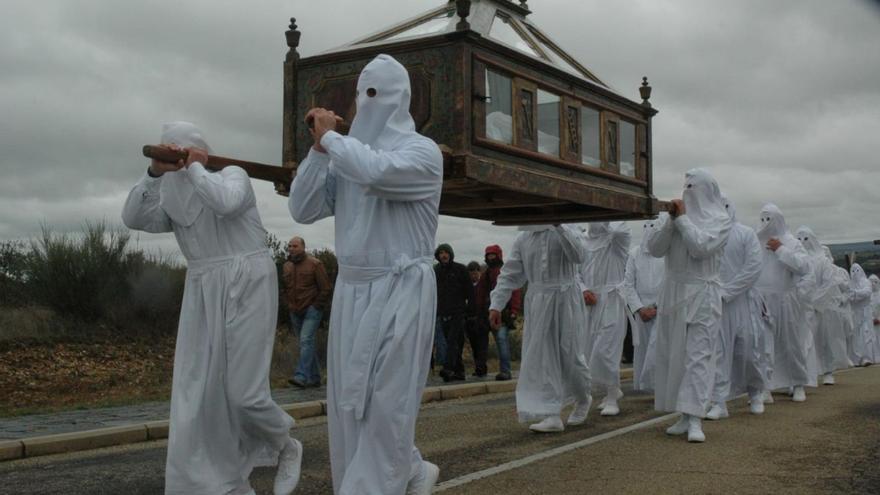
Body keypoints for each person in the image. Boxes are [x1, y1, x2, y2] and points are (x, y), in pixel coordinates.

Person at [288, 54, 443, 495]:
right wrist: (319, 151)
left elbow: (376, 173)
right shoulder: (346, 156)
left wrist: (334, 139)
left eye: (377, 94)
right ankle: (410, 471)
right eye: (363, 95)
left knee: (388, 406)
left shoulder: (421, 153)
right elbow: (302, 207)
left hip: (402, 290)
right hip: (353, 292)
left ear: (400, 99)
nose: (368, 104)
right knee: (349, 408)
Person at [122, 122, 301, 495]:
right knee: (198, 397)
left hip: (246, 279)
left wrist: (197, 167)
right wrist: (155, 173)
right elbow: (134, 218)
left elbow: (225, 203)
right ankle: (223, 486)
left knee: (244, 393)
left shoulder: (232, 176)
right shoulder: (171, 194)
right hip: (203, 288)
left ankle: (285, 444)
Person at [646, 168, 731, 443]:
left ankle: (696, 417)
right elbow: (654, 249)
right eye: (686, 185)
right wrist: (670, 222)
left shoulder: (720, 220)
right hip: (674, 294)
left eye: (693, 186)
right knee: (676, 356)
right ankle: (683, 415)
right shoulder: (675, 220)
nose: (687, 190)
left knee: (699, 355)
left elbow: (700, 247)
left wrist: (681, 220)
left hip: (703, 294)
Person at [489, 225, 593, 432]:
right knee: (543, 358)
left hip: (566, 299)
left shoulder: (569, 229)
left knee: (571, 356)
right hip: (538, 301)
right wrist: (496, 304)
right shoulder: (523, 238)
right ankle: (551, 414)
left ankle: (583, 398)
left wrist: (559, 226)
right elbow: (510, 273)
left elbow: (579, 255)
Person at [706, 195, 767, 419]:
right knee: (719, 353)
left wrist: (729, 291)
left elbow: (753, 267)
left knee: (748, 351)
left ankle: (755, 391)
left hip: (743, 302)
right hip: (716, 302)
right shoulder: (709, 234)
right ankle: (719, 401)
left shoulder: (745, 233)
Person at [755, 204, 813, 403]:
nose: (765, 224)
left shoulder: (791, 242)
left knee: (791, 342)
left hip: (785, 299)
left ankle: (797, 383)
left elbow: (804, 266)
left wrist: (781, 249)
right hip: (761, 300)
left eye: (769, 219)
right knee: (763, 344)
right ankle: (764, 386)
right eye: (762, 219)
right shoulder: (756, 241)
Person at [579, 222, 631, 416]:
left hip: (611, 300)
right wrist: (584, 290)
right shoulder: (582, 241)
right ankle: (611, 389)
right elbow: (575, 272)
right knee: (590, 349)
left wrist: (609, 214)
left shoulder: (617, 240)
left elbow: (620, 229)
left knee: (606, 349)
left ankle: (611, 397)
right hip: (590, 303)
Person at [795, 227, 849, 385]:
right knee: (803, 341)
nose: (802, 243)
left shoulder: (822, 261)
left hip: (820, 307)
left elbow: (828, 283)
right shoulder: (799, 260)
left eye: (805, 239)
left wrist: (814, 300)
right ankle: (803, 375)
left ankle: (828, 370)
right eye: (799, 239)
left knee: (824, 339)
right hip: (802, 306)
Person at [283, 236, 333, 388]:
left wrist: (316, 306)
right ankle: (315, 377)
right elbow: (284, 288)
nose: (291, 248)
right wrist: (287, 304)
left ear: (303, 247)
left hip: (311, 310)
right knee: (306, 344)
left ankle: (301, 376)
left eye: (295, 246)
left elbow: (326, 288)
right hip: (294, 310)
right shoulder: (286, 266)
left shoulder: (315, 264)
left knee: (305, 340)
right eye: (290, 246)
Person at [623, 219, 666, 392]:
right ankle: (644, 386)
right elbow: (628, 284)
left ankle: (660, 387)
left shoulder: (667, 254)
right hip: (641, 311)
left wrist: (657, 307)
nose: (648, 231)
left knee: (658, 350)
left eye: (653, 228)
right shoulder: (634, 254)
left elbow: (671, 282)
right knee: (642, 349)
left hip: (662, 309)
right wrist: (639, 308)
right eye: (646, 227)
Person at [476, 245, 521, 381]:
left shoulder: (505, 272)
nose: (490, 257)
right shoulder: (486, 274)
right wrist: (479, 311)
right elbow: (480, 293)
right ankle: (481, 369)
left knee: (502, 341)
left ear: (498, 255)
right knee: (484, 342)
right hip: (487, 312)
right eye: (488, 255)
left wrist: (513, 310)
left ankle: (505, 371)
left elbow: (515, 291)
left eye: (492, 255)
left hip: (503, 313)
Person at [434, 243, 471, 382]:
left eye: (446, 252)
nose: (443, 255)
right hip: (443, 312)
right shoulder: (436, 271)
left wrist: (468, 310)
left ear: (450, 254)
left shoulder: (460, 269)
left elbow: (469, 291)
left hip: (458, 312)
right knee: (455, 343)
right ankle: (459, 372)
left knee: (452, 341)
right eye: (441, 253)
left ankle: (448, 368)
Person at [465, 261, 489, 377]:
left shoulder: (483, 286)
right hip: (470, 320)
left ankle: (481, 368)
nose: (474, 275)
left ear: (479, 272)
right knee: (474, 346)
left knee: (482, 346)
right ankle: (478, 367)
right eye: (471, 273)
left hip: (482, 319)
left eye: (476, 273)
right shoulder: (466, 286)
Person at [849, 263, 875, 366]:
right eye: (853, 271)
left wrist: (855, 294)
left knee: (866, 335)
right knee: (855, 337)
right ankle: (856, 359)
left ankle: (867, 357)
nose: (855, 273)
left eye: (857, 270)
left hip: (865, 312)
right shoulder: (850, 283)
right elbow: (848, 296)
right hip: (854, 313)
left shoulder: (866, 282)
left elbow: (867, 292)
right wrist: (856, 295)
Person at [870, 274, 880, 363]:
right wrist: (872, 318)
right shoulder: (868, 296)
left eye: (875, 282)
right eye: (871, 282)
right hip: (871, 323)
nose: (873, 284)